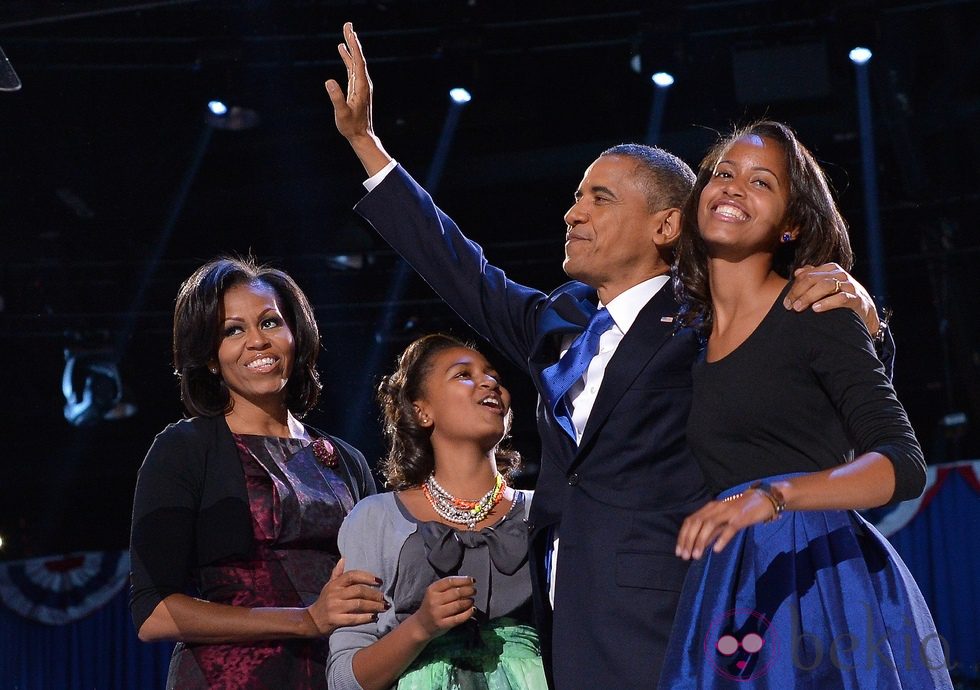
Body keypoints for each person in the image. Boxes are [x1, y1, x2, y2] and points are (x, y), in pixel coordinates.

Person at [324, 23, 887, 688]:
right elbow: (458, 267)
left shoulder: (712, 321)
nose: (573, 213)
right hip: (571, 622)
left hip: (677, 617)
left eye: (600, 198)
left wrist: (868, 325)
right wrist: (367, 144)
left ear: (666, 226)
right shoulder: (557, 321)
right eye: (575, 196)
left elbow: (827, 406)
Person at [664, 121, 952, 688]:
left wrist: (774, 496)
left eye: (761, 182)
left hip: (818, 578)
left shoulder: (815, 310)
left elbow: (903, 462)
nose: (732, 187)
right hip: (730, 583)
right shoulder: (687, 344)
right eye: (723, 173)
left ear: (792, 224)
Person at [129, 256, 386, 689]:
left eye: (269, 323)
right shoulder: (184, 449)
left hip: (340, 673)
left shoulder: (347, 459)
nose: (257, 342)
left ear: (295, 335)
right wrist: (305, 621)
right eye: (233, 330)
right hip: (227, 677)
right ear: (210, 358)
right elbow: (154, 614)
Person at [327, 333, 548, 689]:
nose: (489, 381)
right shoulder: (376, 518)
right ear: (421, 410)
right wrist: (421, 628)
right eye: (464, 374)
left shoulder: (545, 512)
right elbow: (344, 679)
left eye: (494, 376)